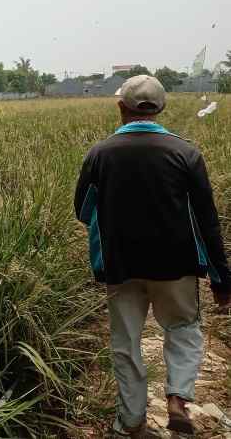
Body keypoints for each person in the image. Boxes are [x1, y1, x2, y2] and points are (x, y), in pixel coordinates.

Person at [74, 75, 231, 437]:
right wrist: (222, 279)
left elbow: (83, 210)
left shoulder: (99, 154)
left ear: (120, 107)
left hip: (120, 266)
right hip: (176, 266)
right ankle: (177, 398)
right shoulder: (186, 153)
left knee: (125, 343)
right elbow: (208, 222)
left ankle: (131, 422)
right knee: (183, 329)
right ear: (161, 109)